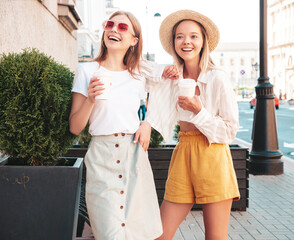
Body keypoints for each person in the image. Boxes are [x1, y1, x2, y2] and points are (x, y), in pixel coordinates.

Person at [69, 11, 179, 240]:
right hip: (102, 156)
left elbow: (165, 90)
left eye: (122, 27)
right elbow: (74, 127)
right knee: (109, 233)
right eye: (110, 24)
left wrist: (147, 123)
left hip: (134, 155)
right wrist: (90, 99)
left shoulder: (138, 74)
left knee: (139, 232)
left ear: (134, 40)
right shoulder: (87, 71)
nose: (113, 30)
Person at [146, 10, 240, 240]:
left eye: (193, 36)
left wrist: (198, 111)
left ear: (203, 41)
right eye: (179, 36)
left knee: (215, 237)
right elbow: (132, 65)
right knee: (159, 235)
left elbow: (229, 131)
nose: (186, 41)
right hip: (184, 151)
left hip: (213, 155)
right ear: (173, 42)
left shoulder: (218, 77)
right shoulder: (171, 76)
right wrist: (161, 74)